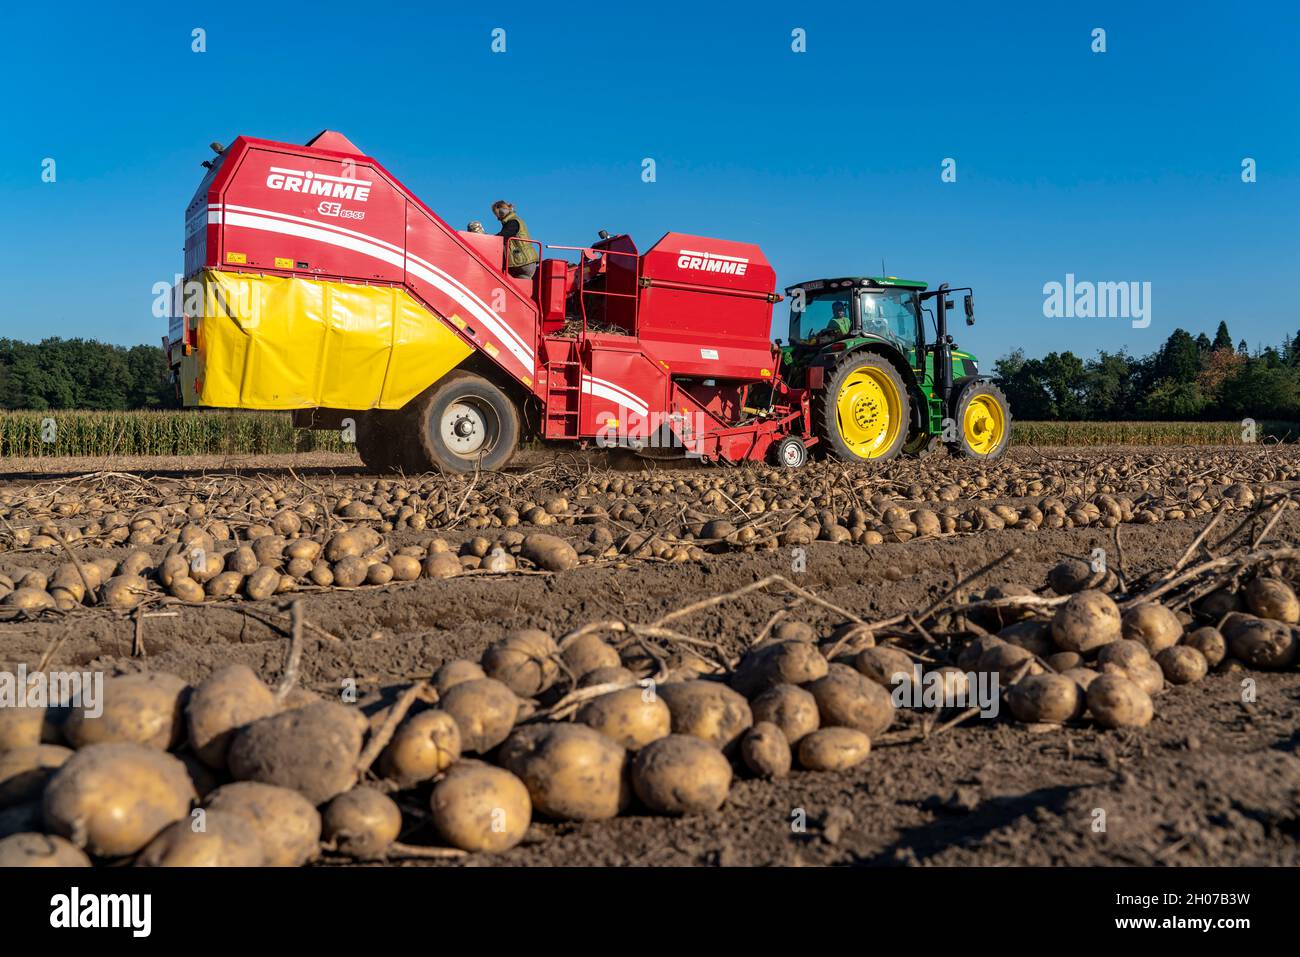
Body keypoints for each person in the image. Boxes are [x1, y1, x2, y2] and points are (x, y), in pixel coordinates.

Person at [491, 200, 540, 279]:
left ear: (502, 211)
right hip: (523, 262)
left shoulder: (513, 222)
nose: (497, 218)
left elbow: (503, 236)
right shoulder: (514, 221)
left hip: (522, 263)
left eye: (497, 214)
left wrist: (489, 240)